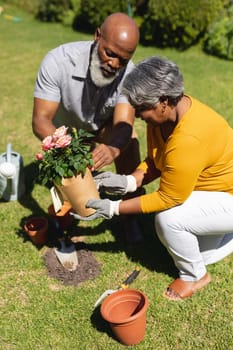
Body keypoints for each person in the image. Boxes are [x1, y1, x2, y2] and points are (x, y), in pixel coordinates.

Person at [73, 56, 233, 300]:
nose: (136, 114)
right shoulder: (162, 118)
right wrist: (129, 181)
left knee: (169, 221)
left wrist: (114, 208)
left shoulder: (189, 138)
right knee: (191, 246)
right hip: (213, 194)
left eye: (140, 108)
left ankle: (195, 276)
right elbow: (158, 160)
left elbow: (168, 197)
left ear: (164, 102)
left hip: (227, 198)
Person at [32, 12, 144, 242]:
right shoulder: (58, 60)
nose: (114, 64)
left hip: (103, 129)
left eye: (122, 60)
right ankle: (71, 204)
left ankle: (129, 216)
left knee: (130, 139)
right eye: (109, 53)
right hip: (64, 134)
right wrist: (71, 151)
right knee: (73, 194)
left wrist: (112, 149)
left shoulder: (129, 74)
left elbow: (123, 125)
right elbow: (41, 120)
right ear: (97, 36)